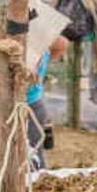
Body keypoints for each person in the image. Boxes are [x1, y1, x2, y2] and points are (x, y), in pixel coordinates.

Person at [26, 35, 69, 171]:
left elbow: (62, 45)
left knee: (32, 153)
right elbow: (62, 45)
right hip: (33, 104)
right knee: (30, 151)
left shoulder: (33, 47)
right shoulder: (38, 45)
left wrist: (37, 64)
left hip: (30, 105)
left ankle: (36, 185)